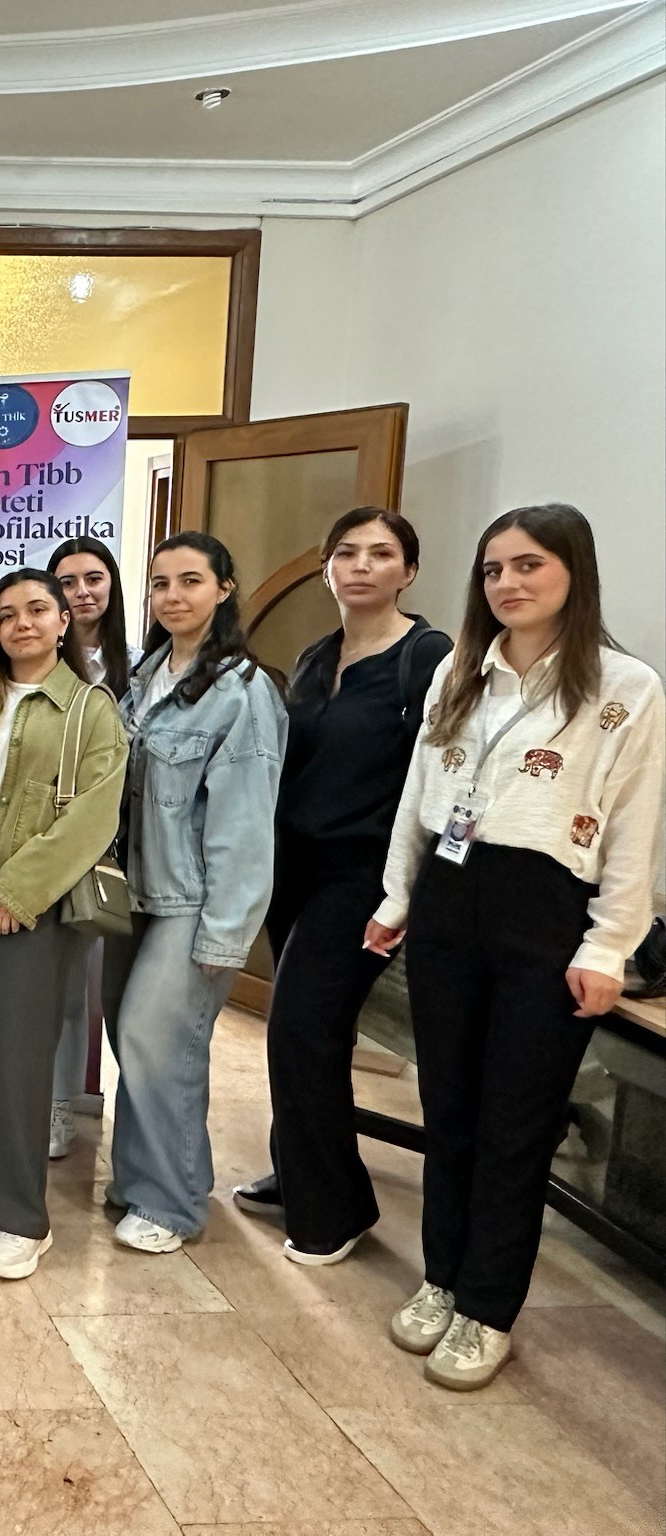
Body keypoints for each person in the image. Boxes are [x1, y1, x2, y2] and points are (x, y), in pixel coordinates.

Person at [368, 503, 662, 1391]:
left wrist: (609, 947)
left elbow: (634, 829)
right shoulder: (462, 669)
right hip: (451, 898)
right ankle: (442, 1277)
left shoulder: (624, 686)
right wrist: (397, 896)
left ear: (574, 570)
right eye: (494, 569)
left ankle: (488, 1308)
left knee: (515, 1123)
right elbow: (419, 791)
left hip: (547, 910)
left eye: (529, 565)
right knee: (448, 1106)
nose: (507, 583)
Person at [229, 509, 451, 1264]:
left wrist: (408, 892)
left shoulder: (428, 657)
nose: (361, 565)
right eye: (346, 553)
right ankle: (299, 1170)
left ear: (408, 571)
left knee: (302, 1026)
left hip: (364, 877)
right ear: (327, 568)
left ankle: (336, 1208)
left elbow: (439, 778)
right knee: (306, 1032)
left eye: (381, 554)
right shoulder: (316, 655)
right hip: (295, 868)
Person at [0, 570, 127, 1280]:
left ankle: (21, 1221)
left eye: (38, 609)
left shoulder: (89, 709)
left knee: (16, 1055)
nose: (23, 624)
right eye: (8, 613)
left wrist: (19, 891)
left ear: (64, 621)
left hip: (36, 899)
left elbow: (94, 815)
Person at [108, 531, 286, 1254]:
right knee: (134, 1042)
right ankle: (139, 1179)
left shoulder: (243, 692)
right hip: (131, 892)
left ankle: (172, 1203)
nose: (173, 595)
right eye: (160, 583)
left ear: (224, 589)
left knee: (158, 1041)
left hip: (191, 901)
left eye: (190, 580)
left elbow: (245, 826)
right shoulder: (145, 676)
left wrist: (225, 934)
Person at [46, 536, 139, 1160]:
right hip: (55, 846)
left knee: (118, 998)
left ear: (112, 585)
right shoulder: (38, 661)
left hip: (123, 851)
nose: (82, 592)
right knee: (63, 990)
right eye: (68, 581)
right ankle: (56, 1107)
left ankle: (132, 1133)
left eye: (93, 578)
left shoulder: (144, 665)